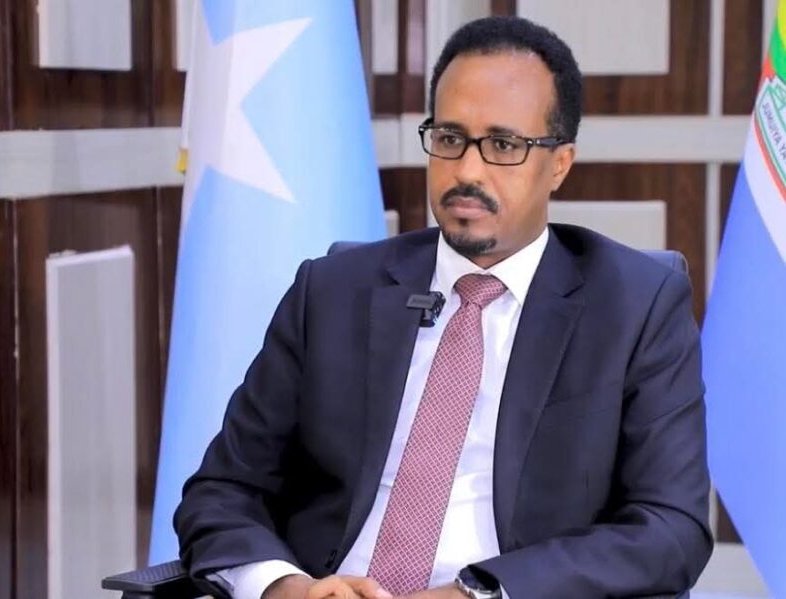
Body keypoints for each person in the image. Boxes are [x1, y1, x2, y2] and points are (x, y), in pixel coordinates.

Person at [175, 15, 712, 599]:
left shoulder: (634, 307)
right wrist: (287, 588)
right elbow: (223, 490)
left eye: (503, 145)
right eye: (450, 139)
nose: (467, 171)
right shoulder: (331, 292)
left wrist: (479, 594)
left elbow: (670, 528)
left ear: (559, 163)